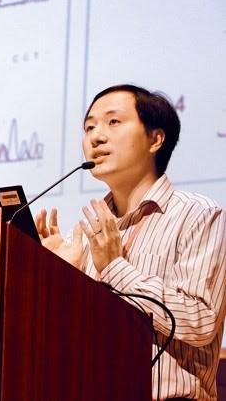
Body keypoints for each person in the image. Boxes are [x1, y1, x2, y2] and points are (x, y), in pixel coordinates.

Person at [35, 84, 226, 400]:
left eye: (113, 122)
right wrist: (58, 277)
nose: (96, 137)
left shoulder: (198, 215)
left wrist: (115, 268)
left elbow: (200, 322)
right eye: (89, 127)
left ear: (155, 139)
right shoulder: (83, 234)